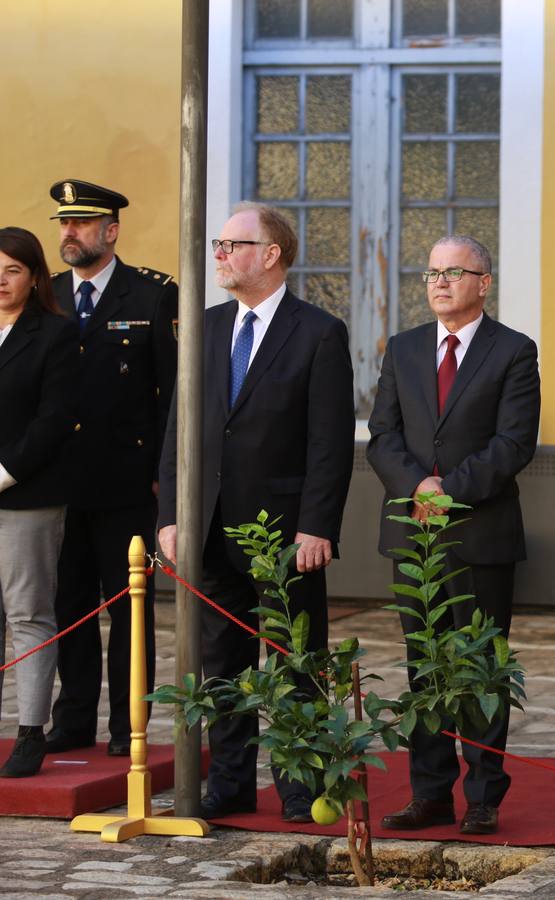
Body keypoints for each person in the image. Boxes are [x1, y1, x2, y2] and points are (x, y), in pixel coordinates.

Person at [157, 202, 355, 822]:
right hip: (211, 526)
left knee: (296, 663)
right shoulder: (206, 326)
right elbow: (177, 430)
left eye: (232, 244)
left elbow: (329, 442)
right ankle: (232, 784)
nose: (219, 253)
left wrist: (318, 525)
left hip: (286, 534)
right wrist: (170, 513)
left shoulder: (319, 332)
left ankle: (300, 788)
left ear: (270, 254)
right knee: (223, 666)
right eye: (217, 243)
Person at [367, 235, 540, 834]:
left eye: (454, 272)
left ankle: (485, 797)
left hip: (482, 534)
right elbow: (382, 434)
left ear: (483, 283)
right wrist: (417, 488)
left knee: (481, 667)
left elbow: (514, 442)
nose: (440, 283)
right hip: (415, 535)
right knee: (424, 667)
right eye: (432, 274)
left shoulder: (513, 351)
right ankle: (430, 793)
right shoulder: (405, 348)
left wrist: (449, 491)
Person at [44, 180, 177, 758]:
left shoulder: (151, 295)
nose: (69, 234)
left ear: (111, 230)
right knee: (66, 605)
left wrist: (165, 476)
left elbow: (173, 392)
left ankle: (129, 726)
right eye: (64, 224)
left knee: (131, 607)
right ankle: (72, 718)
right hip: (56, 483)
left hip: (127, 481)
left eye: (81, 224)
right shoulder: (45, 294)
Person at [0, 226, 79, 777]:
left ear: (33, 277)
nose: (0, 281)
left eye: (12, 270)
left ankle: (30, 733)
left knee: (28, 614)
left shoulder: (54, 334)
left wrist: (3, 474)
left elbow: (54, 422)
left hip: (26, 495)